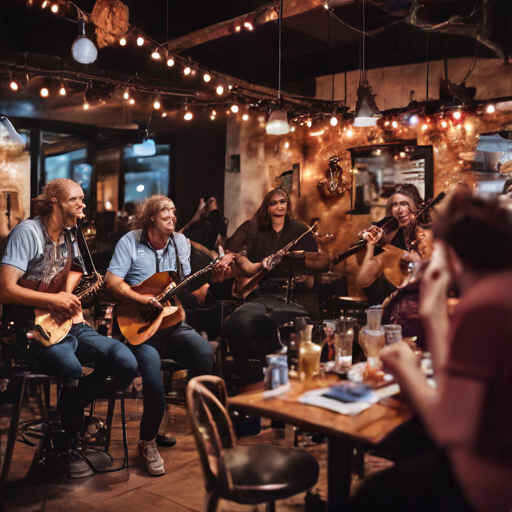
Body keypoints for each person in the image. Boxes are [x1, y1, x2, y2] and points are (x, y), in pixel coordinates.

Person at [350, 186, 512, 512]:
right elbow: (458, 389)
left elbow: (449, 428)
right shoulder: (498, 293)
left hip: (486, 483)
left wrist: (403, 364)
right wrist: (431, 314)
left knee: (370, 496)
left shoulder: (485, 306)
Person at [0, 178, 138, 478]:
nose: (82, 205)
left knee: (126, 362)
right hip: (31, 327)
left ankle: (67, 421)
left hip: (68, 323)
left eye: (83, 199)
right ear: (55, 201)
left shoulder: (70, 235)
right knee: (71, 368)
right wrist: (54, 300)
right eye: (76, 199)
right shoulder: (28, 232)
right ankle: (69, 434)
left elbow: (73, 271)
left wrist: (73, 296)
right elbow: (5, 289)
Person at [105, 195, 213, 476]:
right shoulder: (130, 241)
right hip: (140, 329)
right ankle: (147, 441)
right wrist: (142, 300)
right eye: (165, 212)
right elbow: (112, 282)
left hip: (172, 325)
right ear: (151, 216)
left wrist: (211, 282)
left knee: (203, 352)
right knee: (153, 377)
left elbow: (186, 286)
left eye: (174, 212)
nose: (172, 217)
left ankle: (196, 419)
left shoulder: (180, 243)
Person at [217, 187, 328, 385]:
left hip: (292, 295)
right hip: (259, 295)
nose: (279, 207)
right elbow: (232, 253)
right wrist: (255, 264)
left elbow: (322, 263)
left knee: (299, 326)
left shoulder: (300, 229)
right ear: (266, 207)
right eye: (274, 203)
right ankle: (249, 376)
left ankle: (294, 380)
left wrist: (297, 259)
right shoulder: (252, 228)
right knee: (237, 322)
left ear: (288, 204)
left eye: (283, 202)